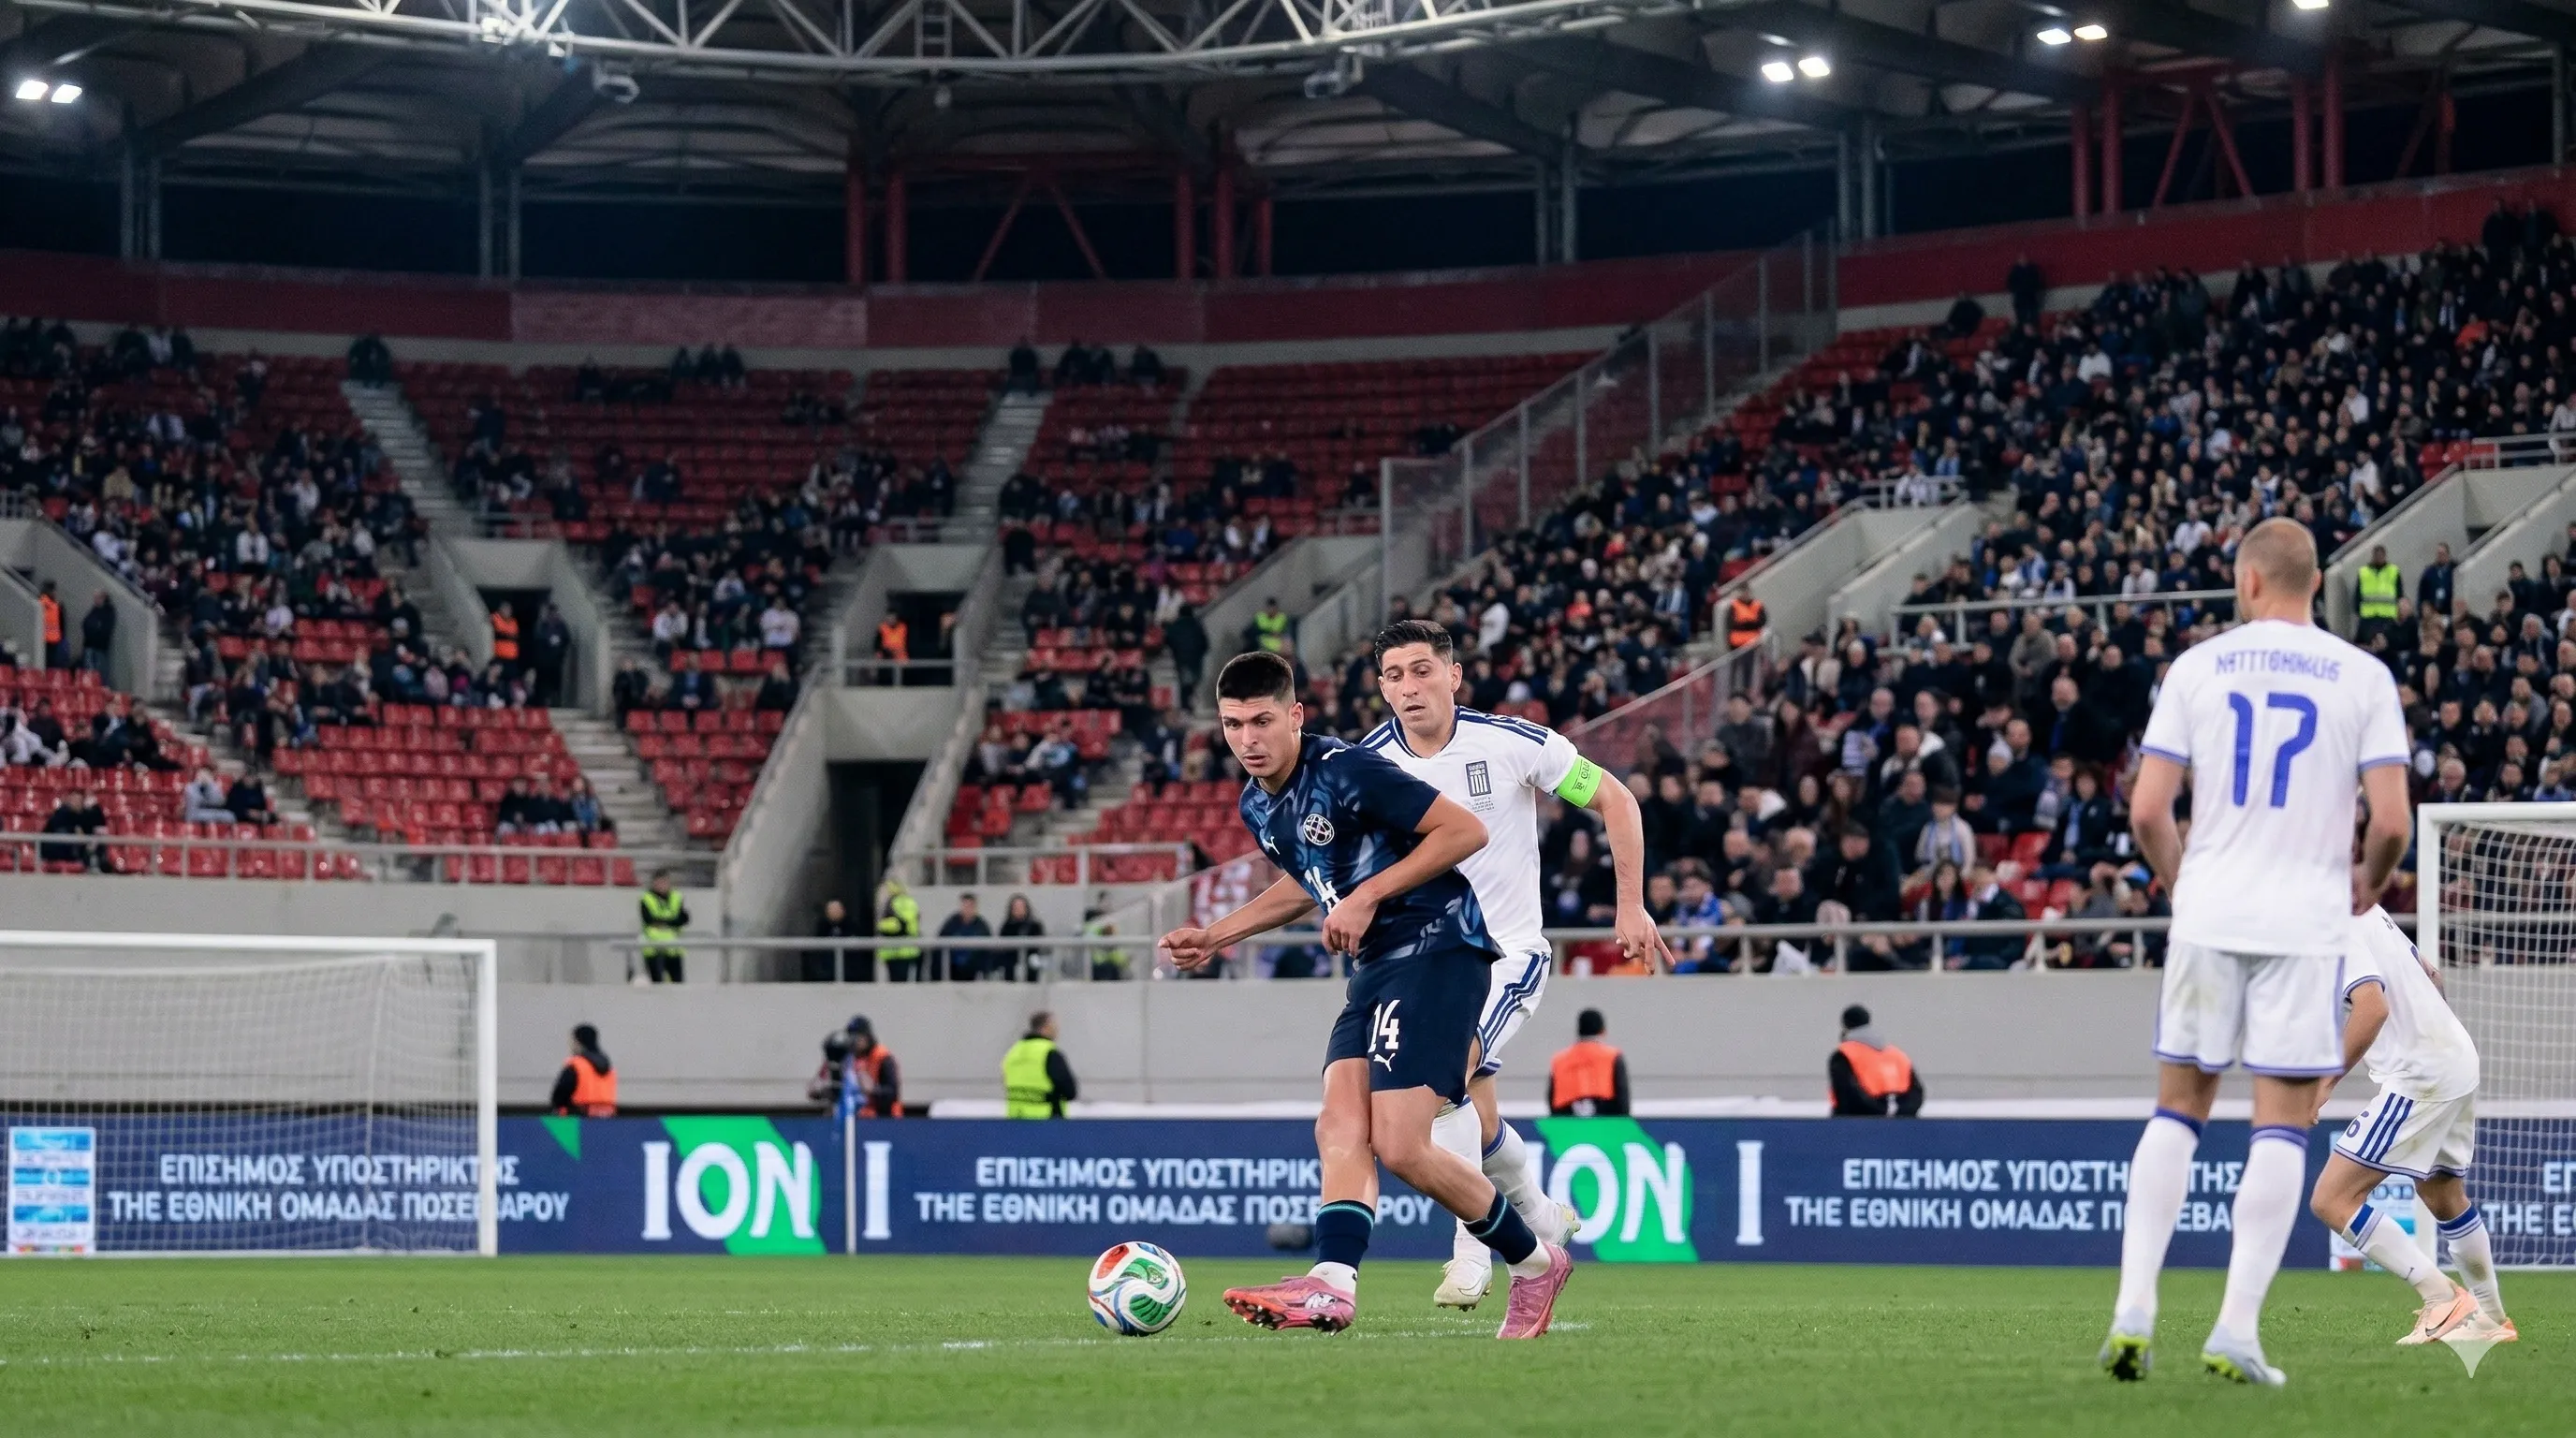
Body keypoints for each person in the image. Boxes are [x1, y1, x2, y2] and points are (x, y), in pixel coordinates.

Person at [1158, 650, 1570, 1339]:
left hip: (1440, 948)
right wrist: (1217, 934)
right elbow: (1309, 881)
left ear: (1295, 715)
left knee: (1404, 1145)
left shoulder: (1347, 769)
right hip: (1377, 965)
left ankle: (1535, 1264)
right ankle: (1331, 1283)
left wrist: (1367, 896)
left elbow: (1464, 830)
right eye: (1233, 726)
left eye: (1262, 721)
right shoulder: (1258, 802)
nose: (1248, 740)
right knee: (1338, 1124)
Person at [2101, 518, 2412, 1387]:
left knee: (2178, 1111)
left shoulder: (2196, 668)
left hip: (2211, 913)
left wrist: (2179, 885)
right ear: (2318, 584)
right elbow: (2391, 823)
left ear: (2245, 583)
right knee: (2279, 1122)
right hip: (2304, 922)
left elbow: (2148, 809)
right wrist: (2370, 883)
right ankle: (2236, 1330)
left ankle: (2134, 1311)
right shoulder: (2365, 677)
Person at [1363, 619, 1651, 1309]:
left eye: (1423, 670)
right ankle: (1540, 1216)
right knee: (1476, 1111)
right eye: (1395, 675)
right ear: (1381, 688)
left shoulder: (1514, 742)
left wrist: (1631, 904)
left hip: (1506, 954)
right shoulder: (1368, 763)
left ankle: (1475, 1254)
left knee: (1447, 1078)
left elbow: (1616, 797)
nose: (1410, 687)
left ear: (1455, 675)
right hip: (1422, 963)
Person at [2307, 906, 2514, 1345]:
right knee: (2442, 1193)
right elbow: (2432, 975)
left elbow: (2373, 1007)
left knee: (2333, 1198)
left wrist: (2324, 1083)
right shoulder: (2369, 911)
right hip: (2456, 1059)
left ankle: (2441, 1297)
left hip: (2422, 1075)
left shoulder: (2328, 921)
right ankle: (2492, 1320)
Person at [1828, 1004, 1924, 1116]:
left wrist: (1879, 1112)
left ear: (1845, 1025)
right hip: (1902, 1124)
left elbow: (1847, 1093)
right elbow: (1916, 1092)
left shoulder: (1844, 1055)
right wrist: (1899, 1114)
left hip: (1858, 1124)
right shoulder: (1897, 1055)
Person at [810, 1015, 900, 1118]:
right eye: (851, 1037)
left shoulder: (883, 1057)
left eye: (857, 1037)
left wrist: (873, 1089)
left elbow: (892, 1093)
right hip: (852, 1117)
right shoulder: (843, 1058)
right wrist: (821, 1088)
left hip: (884, 1120)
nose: (854, 1041)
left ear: (867, 1037)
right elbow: (818, 1088)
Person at [1546, 1009, 1629, 1116]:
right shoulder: (1613, 1056)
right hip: (1605, 1116)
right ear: (1602, 1031)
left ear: (1579, 1030)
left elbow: (1551, 1097)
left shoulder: (1559, 1059)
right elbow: (1622, 1097)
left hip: (1567, 1118)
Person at [1002, 1011, 1077, 1118]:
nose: (1057, 1031)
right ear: (1046, 1027)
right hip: (1045, 1119)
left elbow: (1006, 1082)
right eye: (1055, 1026)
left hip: (1016, 1118)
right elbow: (1069, 1091)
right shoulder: (1049, 1053)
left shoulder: (1013, 1052)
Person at [549, 1024, 618, 1117]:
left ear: (578, 1042)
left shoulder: (576, 1064)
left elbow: (559, 1096)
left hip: (577, 1119)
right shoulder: (609, 1068)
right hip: (606, 1118)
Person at [637, 869, 690, 984]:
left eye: (665, 882)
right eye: (659, 882)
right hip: (654, 949)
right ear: (654, 883)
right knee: (657, 985)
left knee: (678, 984)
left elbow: (683, 919)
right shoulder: (646, 899)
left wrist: (662, 922)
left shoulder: (677, 897)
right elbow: (649, 920)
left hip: (673, 948)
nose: (662, 885)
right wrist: (671, 921)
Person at [806, 898, 869, 982]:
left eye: (837, 909)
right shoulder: (822, 928)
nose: (834, 912)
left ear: (843, 911)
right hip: (826, 975)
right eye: (831, 910)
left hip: (850, 975)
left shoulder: (852, 927)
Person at [877, 876, 923, 981]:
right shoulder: (895, 901)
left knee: (900, 985)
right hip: (894, 950)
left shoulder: (901, 901)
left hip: (902, 950)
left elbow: (901, 924)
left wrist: (881, 926)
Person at [939, 892, 993, 981]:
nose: (967, 909)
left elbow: (987, 951)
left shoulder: (982, 926)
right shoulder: (951, 923)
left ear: (975, 907)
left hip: (974, 972)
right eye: (965, 905)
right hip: (953, 970)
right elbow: (941, 943)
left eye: (970, 906)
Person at [80, 593, 113, 675]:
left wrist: (94, 630)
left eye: (97, 598)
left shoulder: (108, 611)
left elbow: (105, 629)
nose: (95, 600)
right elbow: (85, 623)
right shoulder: (94, 610)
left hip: (100, 647)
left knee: (100, 673)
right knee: (89, 672)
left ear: (103, 598)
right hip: (89, 645)